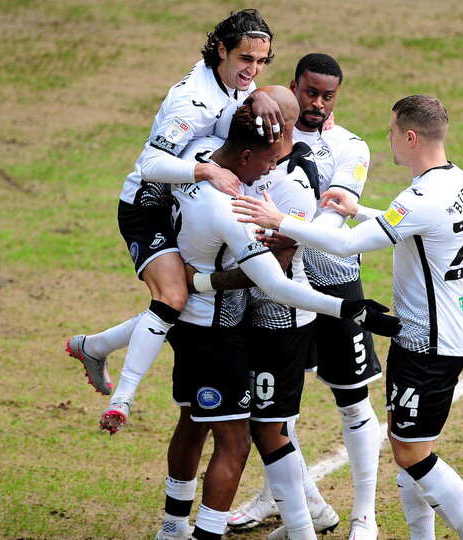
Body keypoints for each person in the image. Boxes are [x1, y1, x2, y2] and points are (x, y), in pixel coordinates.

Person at [234, 94, 463, 540]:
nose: (387, 138)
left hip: (428, 344)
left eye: (392, 131)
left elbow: (346, 245)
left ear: (410, 137)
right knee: (410, 449)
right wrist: (359, 211)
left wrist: (281, 221)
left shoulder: (421, 198)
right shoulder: (455, 180)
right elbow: (412, 227)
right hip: (439, 334)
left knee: (412, 455)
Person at [157, 102, 400, 540]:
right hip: (242, 318)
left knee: (271, 427)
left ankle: (333, 521)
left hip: (283, 320)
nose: (267, 169)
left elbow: (278, 275)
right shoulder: (216, 170)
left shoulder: (288, 182)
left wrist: (200, 282)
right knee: (257, 425)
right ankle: (304, 515)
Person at [63, 9, 284, 434]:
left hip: (185, 203)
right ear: (221, 50)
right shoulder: (191, 101)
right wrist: (204, 171)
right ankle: (121, 401)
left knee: (184, 304)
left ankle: (93, 347)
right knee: (174, 297)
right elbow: (149, 165)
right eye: (245, 59)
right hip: (148, 204)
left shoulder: (238, 82)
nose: (253, 70)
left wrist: (260, 95)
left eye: (261, 62)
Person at [226, 53, 382, 540]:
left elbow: (334, 217)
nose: (317, 103)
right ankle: (284, 498)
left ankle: (364, 515)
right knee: (275, 407)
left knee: (352, 399)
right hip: (277, 292)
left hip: (333, 281)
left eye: (327, 96)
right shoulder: (268, 131)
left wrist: (288, 229)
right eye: (310, 93)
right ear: (293, 87)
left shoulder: (350, 146)